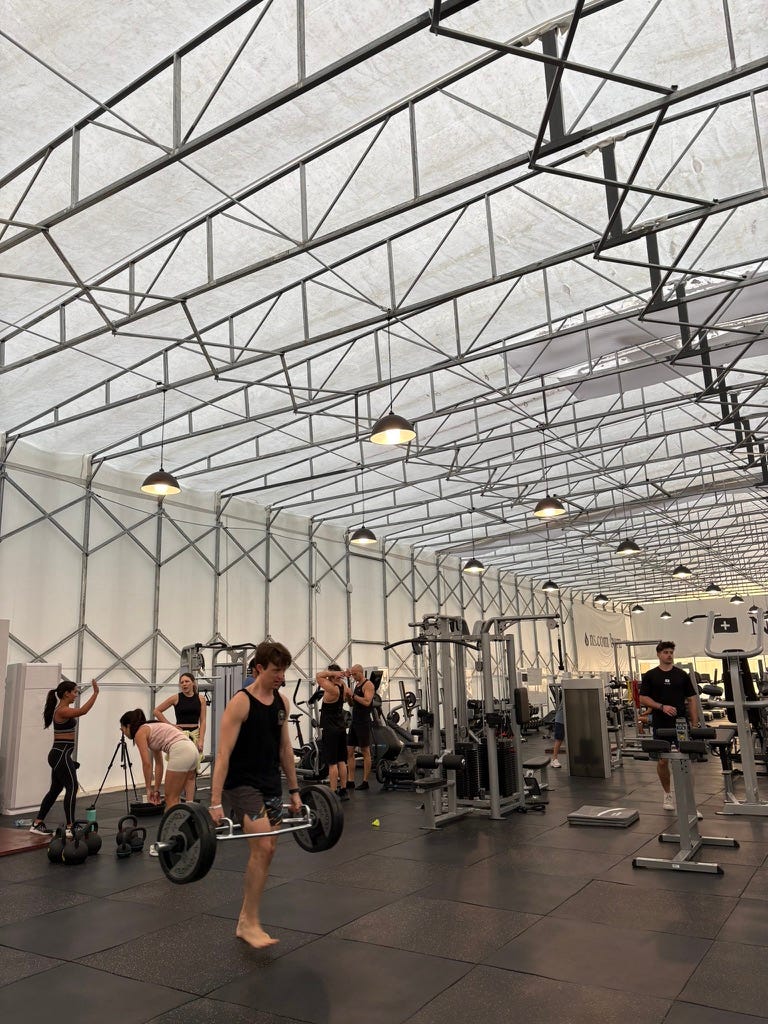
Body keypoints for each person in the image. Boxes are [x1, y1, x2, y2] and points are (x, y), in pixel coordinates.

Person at [209, 639, 302, 949]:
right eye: (276, 670)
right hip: (242, 786)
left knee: (268, 849)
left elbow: (285, 748)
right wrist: (214, 802)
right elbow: (223, 754)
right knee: (262, 844)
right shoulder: (241, 703)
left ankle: (245, 918)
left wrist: (295, 790)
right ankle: (250, 923)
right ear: (259, 668)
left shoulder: (282, 703)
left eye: (284, 670)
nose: (281, 676)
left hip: (270, 784)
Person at [119, 709, 199, 855]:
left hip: (181, 750)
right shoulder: (152, 728)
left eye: (123, 729)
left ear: (129, 726)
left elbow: (146, 764)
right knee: (186, 801)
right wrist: (156, 790)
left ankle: (166, 843)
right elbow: (159, 764)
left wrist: (148, 790)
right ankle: (191, 836)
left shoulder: (140, 733)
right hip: (191, 750)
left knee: (171, 799)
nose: (123, 732)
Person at [30, 678, 100, 836]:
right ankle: (70, 827)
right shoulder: (62, 710)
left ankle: (37, 823)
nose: (76, 694)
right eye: (74, 692)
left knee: (55, 790)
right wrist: (95, 693)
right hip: (60, 754)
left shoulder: (63, 709)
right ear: (66, 693)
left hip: (61, 754)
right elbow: (82, 711)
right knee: (72, 787)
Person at [639, 641, 700, 811]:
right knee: (663, 761)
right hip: (660, 723)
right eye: (665, 652)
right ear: (658, 654)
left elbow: (692, 700)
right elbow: (643, 698)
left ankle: (690, 801)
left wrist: (694, 724)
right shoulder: (650, 675)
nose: (669, 655)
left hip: (680, 724)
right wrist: (661, 706)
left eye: (671, 652)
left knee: (686, 761)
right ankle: (667, 794)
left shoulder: (681, 675)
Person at [153, 672, 207, 801]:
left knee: (192, 772)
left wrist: (201, 740)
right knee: (178, 770)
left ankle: (189, 802)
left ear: (193, 683)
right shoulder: (176, 698)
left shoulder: (201, 699)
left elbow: (203, 721)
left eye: (187, 681)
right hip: (179, 735)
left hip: (194, 734)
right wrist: (170, 725)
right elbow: (157, 711)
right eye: (182, 682)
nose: (184, 684)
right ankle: (174, 800)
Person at [317, 663, 352, 800]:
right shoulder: (343, 686)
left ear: (333, 675)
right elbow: (350, 699)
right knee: (342, 761)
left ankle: (332, 793)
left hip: (331, 730)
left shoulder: (332, 689)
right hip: (341, 728)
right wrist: (339, 674)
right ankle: (343, 790)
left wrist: (332, 674)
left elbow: (318, 676)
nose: (328, 675)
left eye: (330, 673)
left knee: (332, 764)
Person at [346, 664, 375, 790]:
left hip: (363, 722)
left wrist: (353, 696)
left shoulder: (368, 685)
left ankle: (365, 781)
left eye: (353, 674)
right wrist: (349, 697)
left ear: (359, 672)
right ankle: (351, 780)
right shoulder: (357, 685)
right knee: (349, 751)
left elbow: (367, 701)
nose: (352, 676)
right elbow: (353, 703)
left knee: (365, 751)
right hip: (355, 721)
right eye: (351, 674)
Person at [551, 694, 564, 768]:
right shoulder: (567, 695)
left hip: (567, 720)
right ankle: (554, 759)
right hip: (560, 720)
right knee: (559, 739)